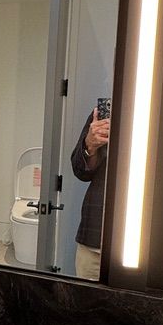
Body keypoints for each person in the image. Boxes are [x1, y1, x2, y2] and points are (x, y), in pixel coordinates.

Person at [70, 104, 110, 280]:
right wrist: (90, 146)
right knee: (83, 304)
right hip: (94, 241)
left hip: (140, 248)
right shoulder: (103, 113)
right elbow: (80, 171)